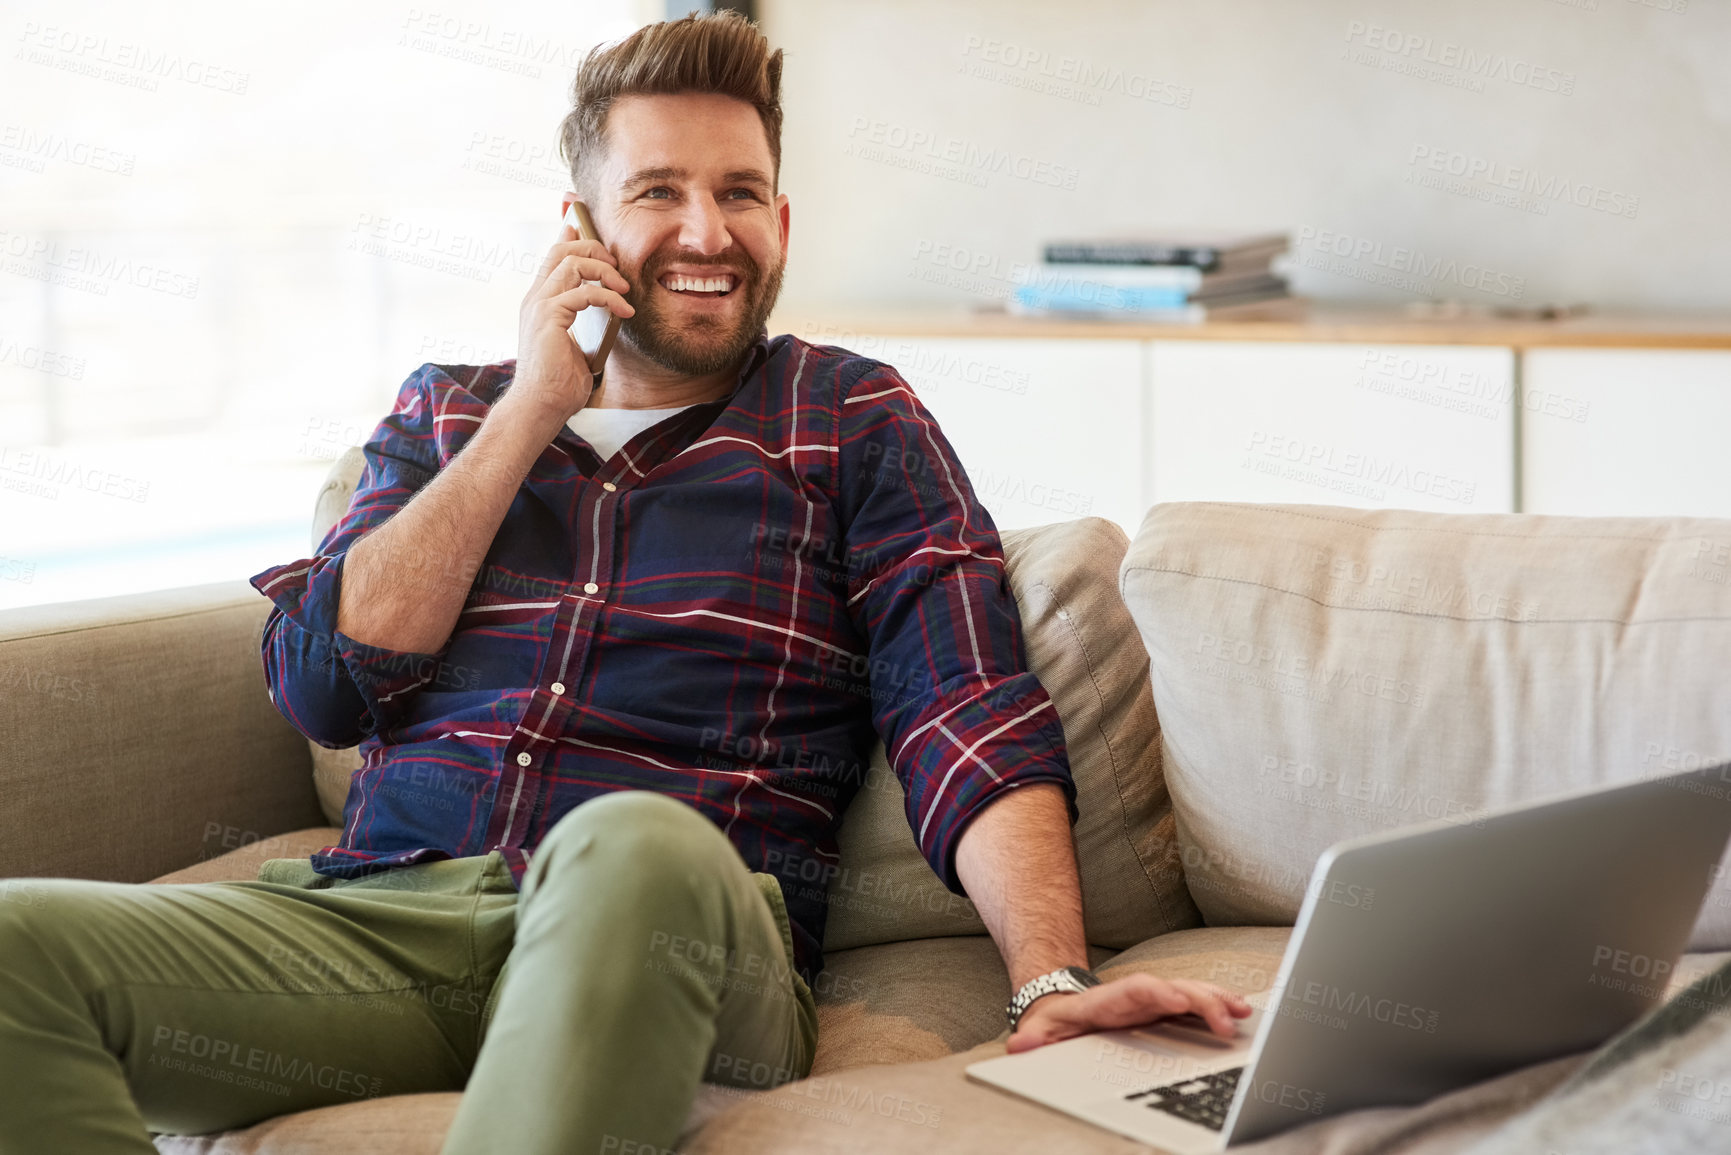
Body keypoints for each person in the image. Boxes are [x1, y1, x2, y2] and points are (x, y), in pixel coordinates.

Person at [0, 12, 1248, 1154]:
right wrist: (535, 404)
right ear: (580, 232)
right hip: (397, 925)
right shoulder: (452, 412)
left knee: (628, 844)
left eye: (741, 195)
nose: (707, 234)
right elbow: (328, 688)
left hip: (683, 926)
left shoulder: (847, 415)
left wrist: (1051, 986)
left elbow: (959, 703)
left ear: (783, 225)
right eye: (660, 192)